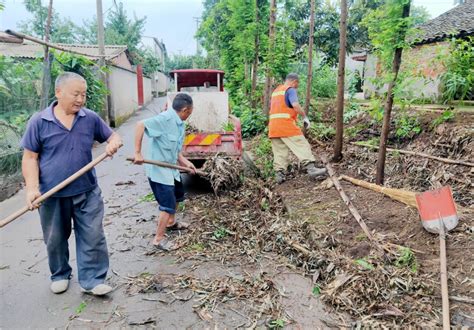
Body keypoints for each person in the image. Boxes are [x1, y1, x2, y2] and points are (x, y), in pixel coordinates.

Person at [20, 72, 122, 295]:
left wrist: (114, 143)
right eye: (76, 94)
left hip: (87, 191)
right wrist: (32, 188)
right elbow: (30, 158)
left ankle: (93, 279)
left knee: (93, 235)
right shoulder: (39, 121)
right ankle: (60, 273)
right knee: (55, 239)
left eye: (83, 94)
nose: (81, 99)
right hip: (52, 195)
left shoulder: (90, 118)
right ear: (58, 92)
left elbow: (112, 136)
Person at [133, 93, 196, 251]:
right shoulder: (165, 119)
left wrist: (186, 163)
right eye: (190, 112)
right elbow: (140, 125)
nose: (189, 115)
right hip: (159, 171)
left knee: (178, 196)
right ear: (185, 110)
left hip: (171, 169)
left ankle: (171, 223)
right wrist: (137, 153)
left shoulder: (180, 124)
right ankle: (158, 239)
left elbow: (175, 151)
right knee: (167, 205)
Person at [268, 73, 327, 184]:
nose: (296, 87)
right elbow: (295, 105)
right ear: (294, 81)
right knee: (302, 144)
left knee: (279, 151)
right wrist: (305, 117)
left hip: (273, 127)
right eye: (297, 84)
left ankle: (279, 175)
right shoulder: (290, 90)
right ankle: (311, 168)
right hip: (286, 126)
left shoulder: (276, 91)